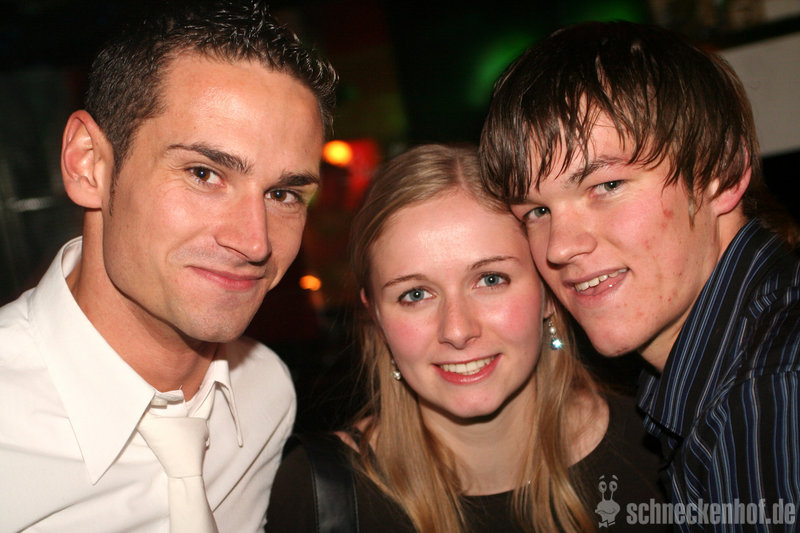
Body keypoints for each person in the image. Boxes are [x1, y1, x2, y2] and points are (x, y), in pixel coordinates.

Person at [0, 1, 337, 531]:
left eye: (283, 194)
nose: (255, 242)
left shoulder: (266, 394)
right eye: (204, 174)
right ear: (88, 163)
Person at [480, 20, 800, 530]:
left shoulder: (766, 393)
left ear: (722, 171)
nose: (560, 247)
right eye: (536, 212)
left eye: (607, 186)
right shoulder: (733, 366)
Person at [266, 144, 667, 532]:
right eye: (415, 295)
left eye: (491, 280)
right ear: (375, 317)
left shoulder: (663, 451)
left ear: (547, 293)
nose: (457, 331)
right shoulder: (316, 495)